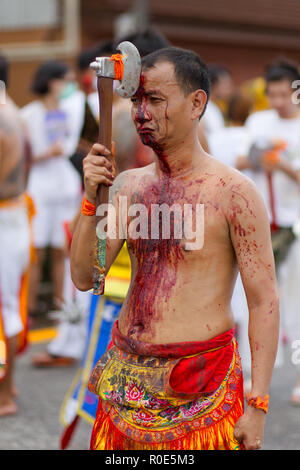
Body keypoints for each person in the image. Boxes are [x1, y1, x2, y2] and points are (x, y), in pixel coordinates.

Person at [71, 47, 279, 450]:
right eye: (136, 100)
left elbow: (263, 300)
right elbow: (85, 277)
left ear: (197, 102)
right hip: (125, 382)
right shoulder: (128, 186)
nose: (141, 113)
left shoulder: (233, 193)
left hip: (201, 386)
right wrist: (90, 201)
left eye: (156, 100)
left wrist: (259, 404)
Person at [237, 59, 300, 405]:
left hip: (295, 225)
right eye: (271, 94)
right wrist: (258, 158)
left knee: (298, 305)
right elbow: (238, 161)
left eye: (283, 94)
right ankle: (250, 375)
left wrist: (285, 166)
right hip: (259, 226)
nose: (277, 101)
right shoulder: (258, 121)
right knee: (254, 301)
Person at [21, 61, 82, 320]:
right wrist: (45, 154)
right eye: (63, 80)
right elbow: (24, 155)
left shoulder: (67, 111)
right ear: (50, 81)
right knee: (37, 250)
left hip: (64, 185)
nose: (67, 85)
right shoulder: (29, 114)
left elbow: (68, 144)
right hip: (39, 187)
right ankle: (31, 307)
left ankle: (61, 303)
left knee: (62, 247)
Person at [0, 54, 32, 416]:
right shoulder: (16, 112)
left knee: (4, 309)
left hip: (4, 218)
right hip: (15, 214)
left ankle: (4, 395)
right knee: (9, 303)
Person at [202, 64, 234, 137]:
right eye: (227, 85)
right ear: (214, 85)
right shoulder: (207, 109)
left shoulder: (213, 107)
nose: (230, 89)